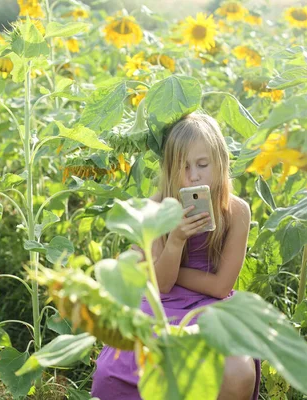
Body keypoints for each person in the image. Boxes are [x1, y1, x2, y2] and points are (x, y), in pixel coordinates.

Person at [90, 112, 261, 400]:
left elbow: (221, 287)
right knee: (118, 369)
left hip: (211, 307)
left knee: (237, 372)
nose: (194, 175)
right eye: (184, 167)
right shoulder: (157, 206)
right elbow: (163, 286)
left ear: (220, 163)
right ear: (170, 170)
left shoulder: (237, 211)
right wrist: (176, 241)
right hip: (161, 303)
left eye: (202, 165)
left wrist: (148, 265)